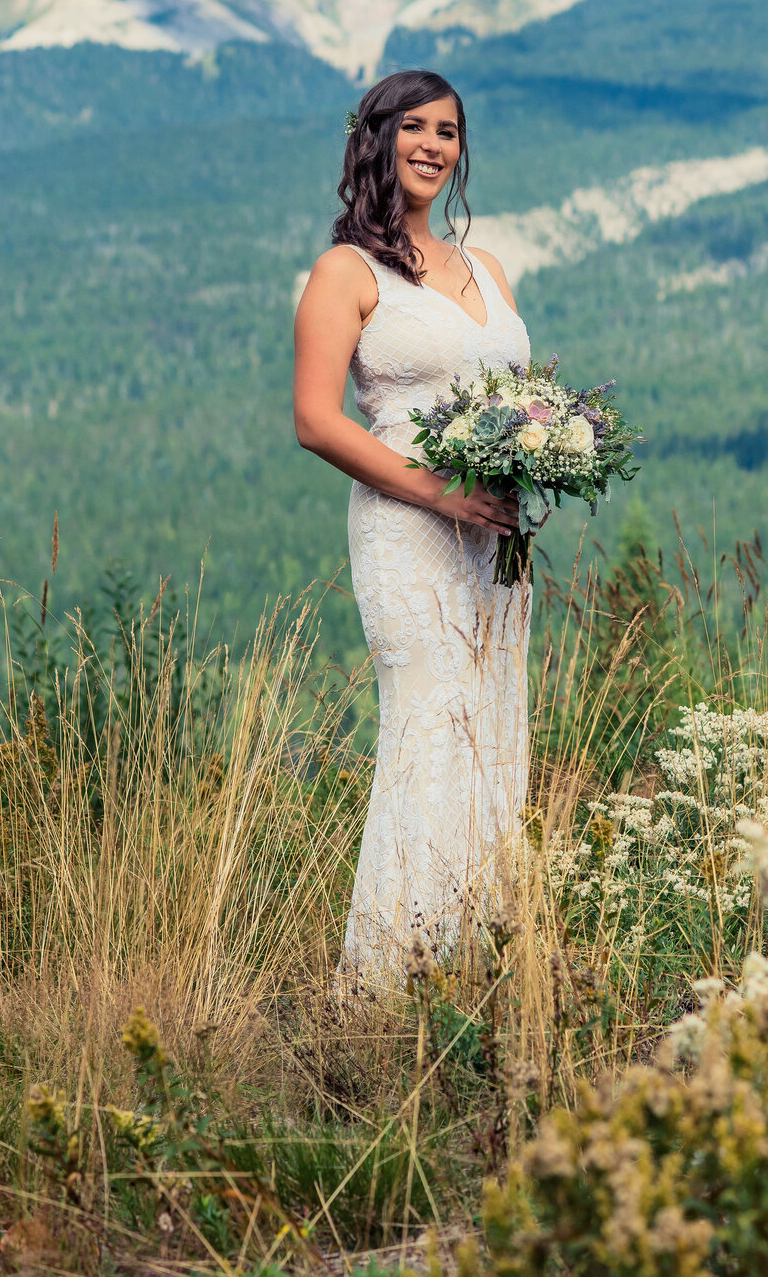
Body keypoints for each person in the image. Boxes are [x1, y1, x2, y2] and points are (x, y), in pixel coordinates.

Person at [293, 68, 531, 981]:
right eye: (416, 127)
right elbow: (317, 421)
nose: (435, 145)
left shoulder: (489, 269)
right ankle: (395, 977)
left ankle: (483, 960)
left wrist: (541, 460)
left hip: (495, 541)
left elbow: (520, 403)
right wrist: (441, 493)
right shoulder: (344, 272)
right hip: (410, 529)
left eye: (451, 131)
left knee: (494, 726)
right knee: (430, 728)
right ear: (378, 136)